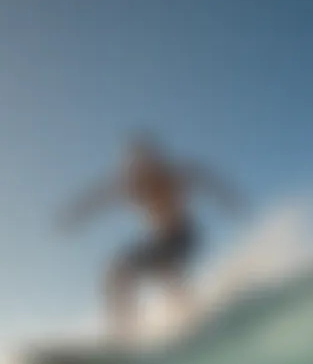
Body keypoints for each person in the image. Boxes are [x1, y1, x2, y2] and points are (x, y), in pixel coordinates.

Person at [57, 135, 243, 341]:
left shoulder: (170, 175)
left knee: (165, 268)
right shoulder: (132, 185)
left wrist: (230, 199)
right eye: (136, 165)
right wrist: (75, 215)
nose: (142, 170)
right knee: (118, 272)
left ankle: (194, 319)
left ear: (154, 160)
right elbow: (99, 198)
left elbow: (203, 177)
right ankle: (125, 335)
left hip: (184, 234)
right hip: (159, 241)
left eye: (146, 162)